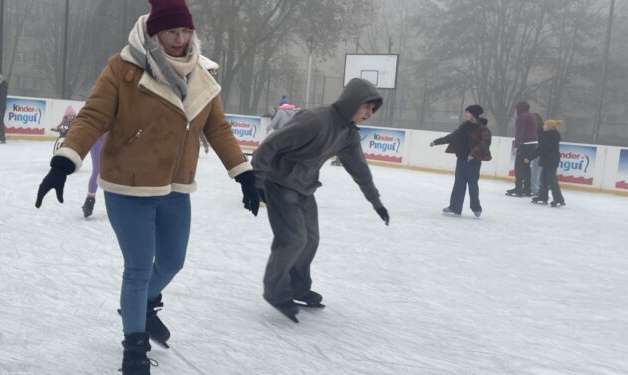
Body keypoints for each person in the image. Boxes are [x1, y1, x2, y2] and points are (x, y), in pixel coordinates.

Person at [34, 1, 259, 373]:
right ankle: (134, 349)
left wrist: (243, 173)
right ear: (155, 32)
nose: (180, 39)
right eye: (172, 32)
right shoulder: (124, 68)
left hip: (176, 186)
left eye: (186, 31)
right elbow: (93, 115)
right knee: (138, 268)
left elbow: (216, 127)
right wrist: (64, 161)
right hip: (129, 185)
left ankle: (142, 303)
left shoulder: (201, 72)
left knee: (172, 262)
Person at [251, 78, 390, 323]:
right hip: (280, 184)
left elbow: (359, 169)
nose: (370, 112)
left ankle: (297, 287)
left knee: (310, 240)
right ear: (352, 102)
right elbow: (269, 145)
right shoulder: (315, 120)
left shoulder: (348, 133)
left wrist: (375, 201)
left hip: (305, 188)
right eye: (367, 106)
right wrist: (257, 182)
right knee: (293, 239)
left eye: (373, 109)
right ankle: (275, 291)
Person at [430, 105, 493, 217]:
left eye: (467, 112)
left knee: (472, 184)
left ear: (473, 114)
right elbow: (452, 137)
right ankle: (455, 207)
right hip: (461, 159)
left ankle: (476, 208)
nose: (465, 114)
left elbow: (485, 143)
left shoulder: (483, 129)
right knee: (459, 184)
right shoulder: (464, 126)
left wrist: (473, 154)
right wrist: (437, 142)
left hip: (473, 161)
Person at [526, 120, 565, 207]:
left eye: (545, 125)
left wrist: (529, 158)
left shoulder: (550, 137)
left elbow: (540, 149)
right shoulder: (549, 135)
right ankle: (543, 197)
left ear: (549, 127)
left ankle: (559, 199)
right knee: (543, 179)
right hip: (548, 160)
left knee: (552, 181)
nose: (543, 126)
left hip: (551, 161)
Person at [506, 101, 538, 196]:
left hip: (525, 144)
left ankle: (518, 188)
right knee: (526, 166)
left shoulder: (523, 117)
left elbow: (520, 132)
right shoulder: (532, 116)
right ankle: (527, 189)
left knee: (519, 166)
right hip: (533, 143)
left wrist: (516, 146)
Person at [81, 136, 103, 218]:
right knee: (98, 170)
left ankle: (119, 200)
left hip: (114, 139)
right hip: (97, 138)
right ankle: (90, 200)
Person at [529, 113, 545, 196]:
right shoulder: (542, 128)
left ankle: (535, 188)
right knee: (539, 169)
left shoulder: (537, 129)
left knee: (535, 169)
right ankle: (538, 187)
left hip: (538, 149)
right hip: (543, 150)